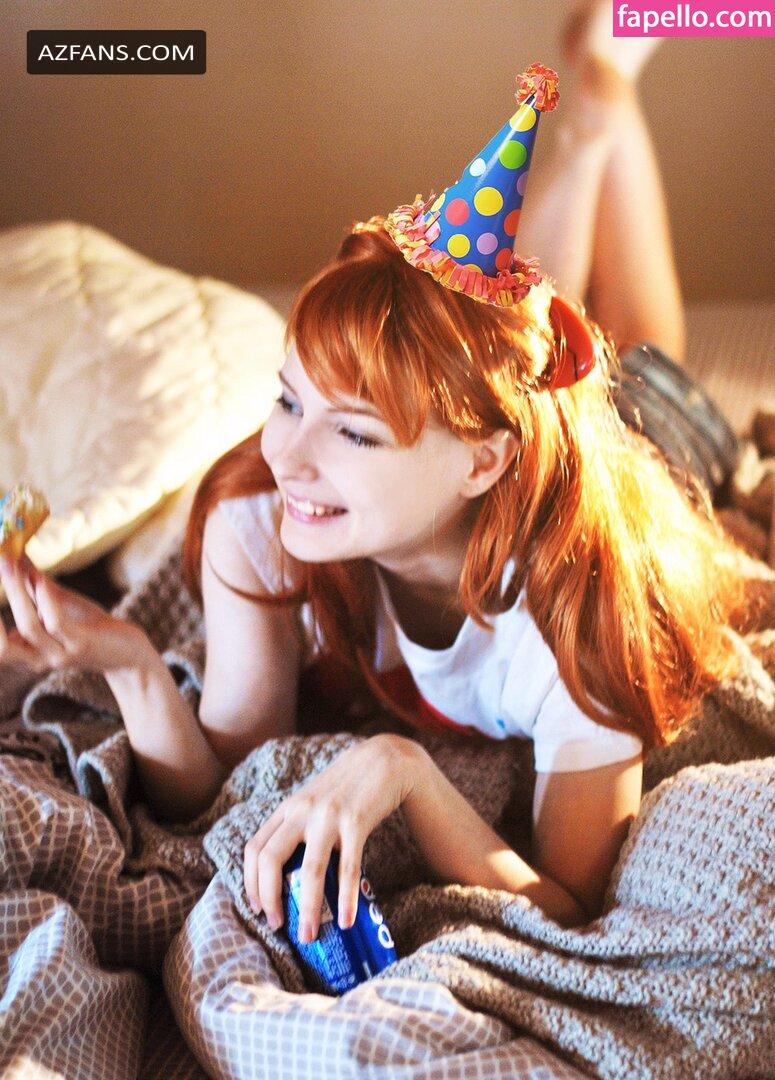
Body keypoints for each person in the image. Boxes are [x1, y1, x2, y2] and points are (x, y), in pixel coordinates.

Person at [0, 6, 748, 938]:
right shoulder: (260, 516)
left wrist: (406, 771)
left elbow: (568, 902)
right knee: (503, 338)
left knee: (639, 358)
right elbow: (222, 777)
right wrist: (129, 663)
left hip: (649, 447)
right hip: (501, 415)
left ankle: (600, 103)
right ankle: (590, 107)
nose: (287, 457)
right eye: (288, 401)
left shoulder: (585, 607)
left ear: (482, 462)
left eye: (352, 435)